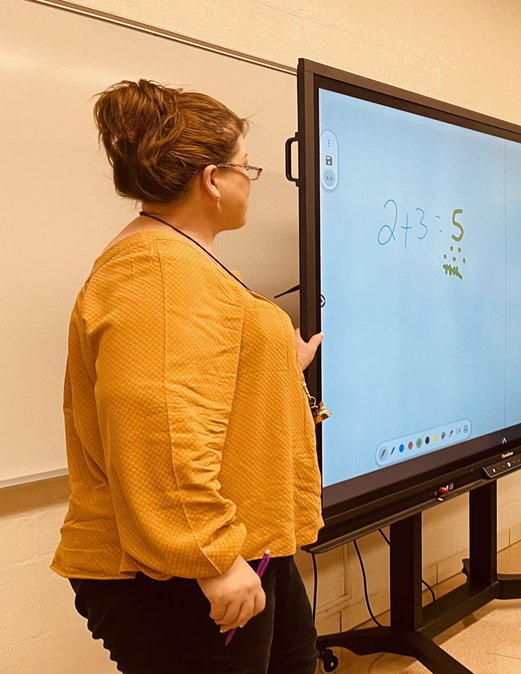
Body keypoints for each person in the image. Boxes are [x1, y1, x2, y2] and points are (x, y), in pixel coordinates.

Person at [52, 80, 325, 674]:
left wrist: (277, 362)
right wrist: (212, 560)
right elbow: (160, 427)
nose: (249, 183)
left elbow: (198, 371)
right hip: (186, 567)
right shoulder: (158, 272)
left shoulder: (180, 259)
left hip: (241, 541)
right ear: (211, 179)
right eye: (247, 169)